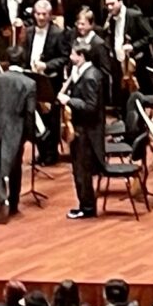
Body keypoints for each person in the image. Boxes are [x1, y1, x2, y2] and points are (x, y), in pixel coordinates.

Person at [0, 66, 36, 224]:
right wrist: (30, 135)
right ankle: (13, 203)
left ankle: (2, 200)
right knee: (15, 165)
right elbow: (30, 112)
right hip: (17, 127)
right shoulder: (29, 83)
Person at [61, 43, 105, 219]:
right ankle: (85, 205)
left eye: (73, 54)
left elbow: (90, 106)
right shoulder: (81, 73)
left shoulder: (90, 77)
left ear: (81, 56)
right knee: (79, 171)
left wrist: (69, 100)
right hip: (81, 129)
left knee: (82, 171)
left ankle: (87, 208)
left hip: (86, 132)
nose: (70, 57)